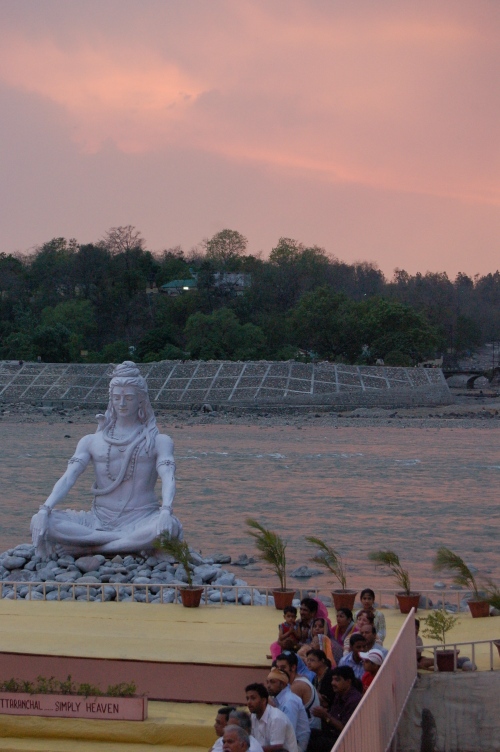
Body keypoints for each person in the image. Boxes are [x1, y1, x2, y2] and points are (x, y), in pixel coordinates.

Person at [30, 361, 183, 557]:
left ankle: (89, 548)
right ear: (111, 399)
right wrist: (45, 509)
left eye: (128, 397)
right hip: (97, 520)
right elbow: (69, 477)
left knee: (166, 527)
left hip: (143, 517)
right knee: (44, 522)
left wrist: (166, 511)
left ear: (141, 400)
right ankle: (126, 544)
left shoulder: (159, 441)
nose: (122, 403)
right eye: (117, 397)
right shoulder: (91, 441)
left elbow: (168, 475)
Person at [310, 666, 363, 752]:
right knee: (308, 733)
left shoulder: (354, 700)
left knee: (314, 742)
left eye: (337, 680)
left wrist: (325, 716)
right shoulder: (339, 694)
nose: (332, 683)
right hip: (333, 734)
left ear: (348, 681)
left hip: (346, 739)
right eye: (332, 680)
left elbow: (345, 728)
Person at [245, 682, 298, 752]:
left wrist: (253, 750)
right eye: (247, 698)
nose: (249, 702)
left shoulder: (276, 718)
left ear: (264, 700)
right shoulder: (253, 716)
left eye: (253, 698)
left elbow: (277, 748)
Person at [266, 668, 310, 752]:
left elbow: (288, 731)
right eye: (267, 682)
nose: (268, 686)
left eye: (272, 682)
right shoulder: (278, 699)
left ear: (282, 684)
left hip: (295, 746)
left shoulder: (290, 701)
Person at [275, 652, 320, 730]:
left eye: (282, 668)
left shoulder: (297, 686)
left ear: (293, 667)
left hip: (311, 733)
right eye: (277, 668)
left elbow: (285, 714)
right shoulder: (297, 681)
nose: (279, 671)